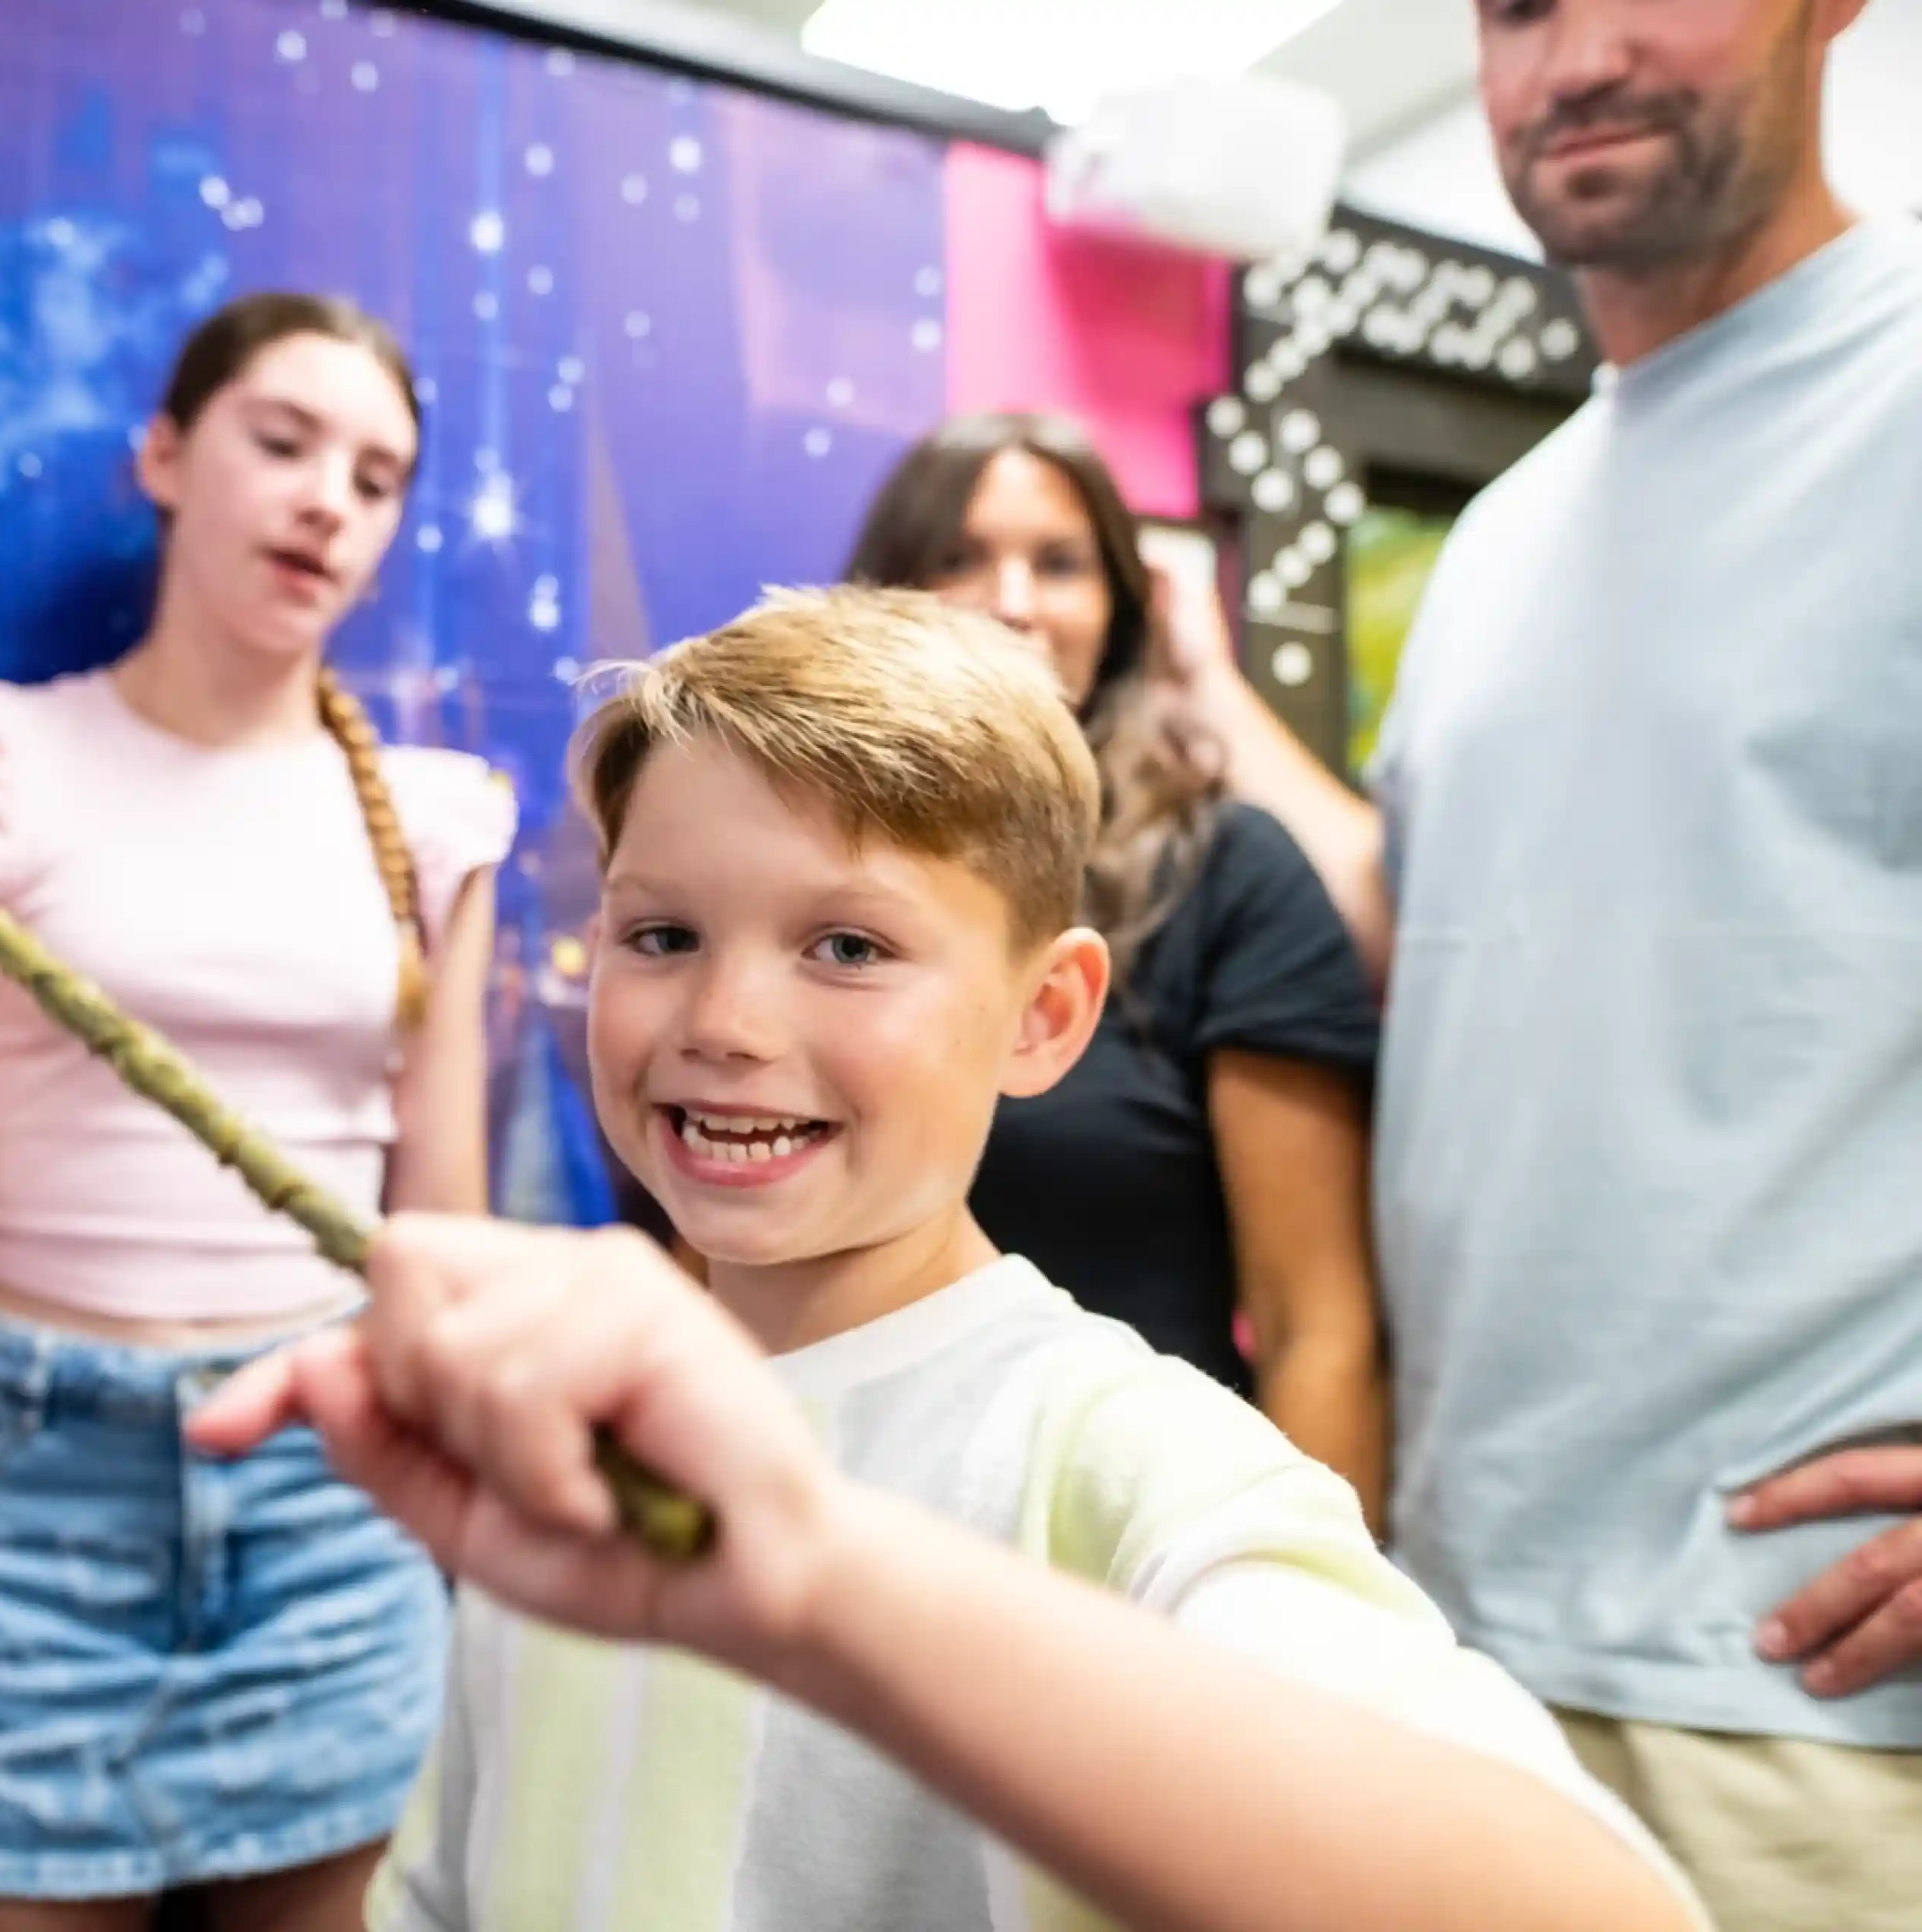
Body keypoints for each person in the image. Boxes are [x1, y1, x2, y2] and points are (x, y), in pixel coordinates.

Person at [195, 587, 1708, 1932]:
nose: (720, 1020)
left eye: (847, 946)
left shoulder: (1131, 1457)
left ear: (1044, 1015)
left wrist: (811, 1574)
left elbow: (1584, 1897)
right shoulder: (556, 1427)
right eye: (660, 934)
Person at [1149, 4, 1922, 1924]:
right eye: (1508, 6)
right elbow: (1442, 933)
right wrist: (1208, 695)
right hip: (1462, 1643)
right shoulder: (1505, 537)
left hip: (1805, 1703)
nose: (1565, 56)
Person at [0, 292, 514, 1931]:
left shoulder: (435, 817)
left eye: (376, 473)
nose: (324, 499)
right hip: (27, 1488)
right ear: (163, 452)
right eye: (279, 441)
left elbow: (449, 1239)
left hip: (330, 1480)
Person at [847, 417, 1388, 1523]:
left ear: (1120, 616)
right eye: (957, 557)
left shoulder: (1226, 874)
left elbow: (1315, 1330)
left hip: (1133, 1540)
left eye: (1060, 563)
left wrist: (1295, 1630)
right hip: (830, 1524)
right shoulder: (808, 867)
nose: (1013, 600)